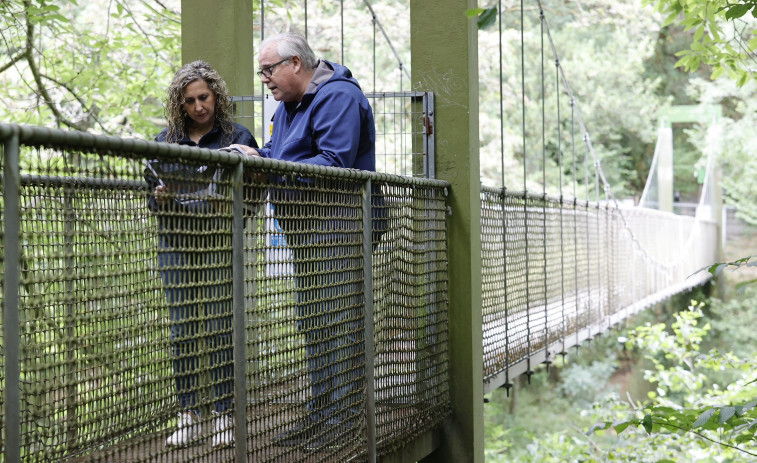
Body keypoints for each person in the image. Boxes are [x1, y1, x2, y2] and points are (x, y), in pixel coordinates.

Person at [231, 32, 377, 450]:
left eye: (268, 70)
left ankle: (344, 420)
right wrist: (257, 156)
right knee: (315, 323)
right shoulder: (286, 107)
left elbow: (334, 162)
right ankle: (321, 412)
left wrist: (269, 161)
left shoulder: (338, 95)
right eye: (262, 72)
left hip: (339, 225)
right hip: (304, 229)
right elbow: (280, 152)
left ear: (295, 63)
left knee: (340, 322)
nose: (264, 79)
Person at [145, 60, 259, 449]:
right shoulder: (163, 142)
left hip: (218, 244)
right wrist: (162, 199)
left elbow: (254, 197)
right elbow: (151, 200)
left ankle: (226, 415)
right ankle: (190, 414)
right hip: (176, 246)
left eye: (204, 97)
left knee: (220, 326)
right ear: (179, 103)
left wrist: (225, 207)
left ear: (216, 96)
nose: (198, 107)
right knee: (182, 330)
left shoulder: (238, 136)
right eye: (190, 100)